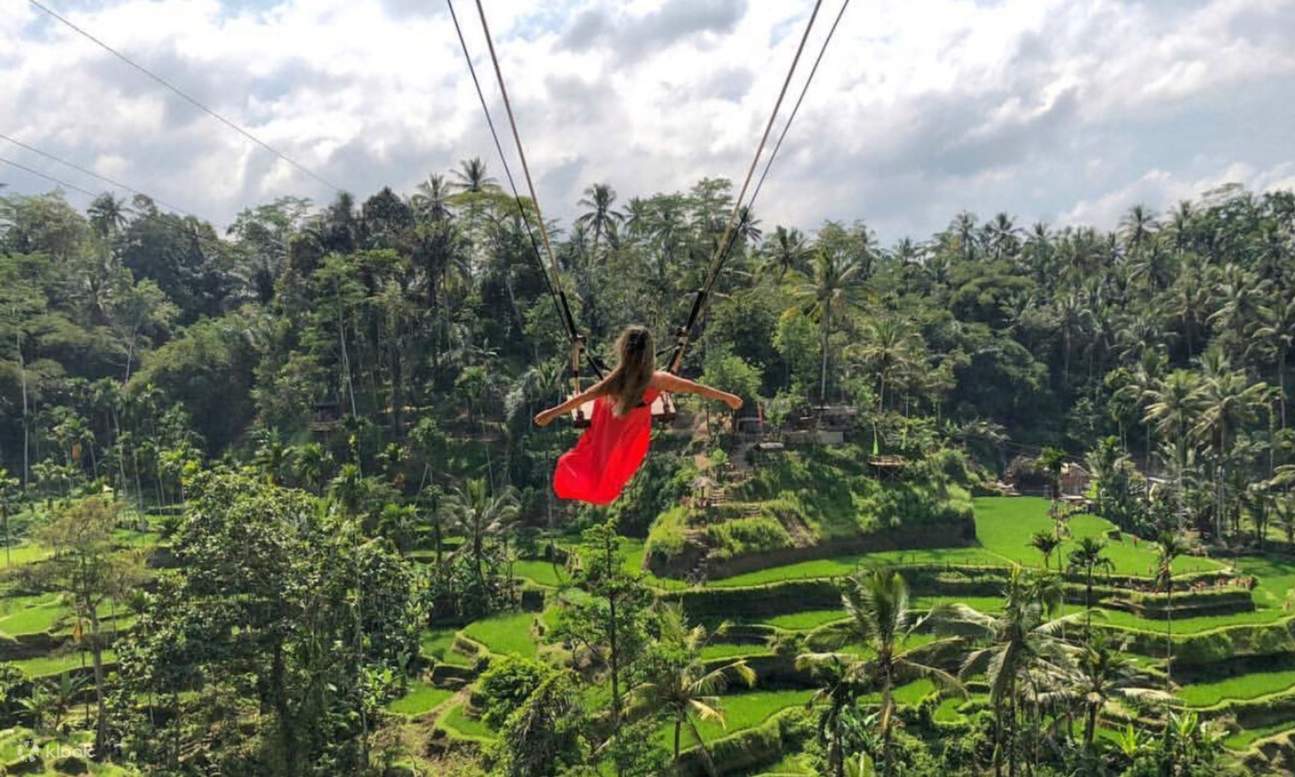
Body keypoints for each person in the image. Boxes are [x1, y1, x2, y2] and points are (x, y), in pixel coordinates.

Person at [534, 325, 743, 505]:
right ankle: (602, 488)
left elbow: (583, 397)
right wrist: (727, 397)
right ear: (650, 354)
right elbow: (696, 388)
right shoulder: (659, 380)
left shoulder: (615, 380)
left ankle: (592, 485)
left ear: (623, 351)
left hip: (610, 426)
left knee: (595, 462)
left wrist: (551, 413)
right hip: (633, 434)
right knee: (609, 470)